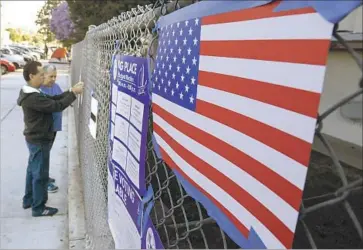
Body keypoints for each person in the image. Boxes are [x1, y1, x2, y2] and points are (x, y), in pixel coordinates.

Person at [17, 61, 84, 217]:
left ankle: (29, 200)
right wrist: (73, 94)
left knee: (32, 171)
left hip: (34, 138)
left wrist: (70, 90)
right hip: (39, 139)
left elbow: (53, 99)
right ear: (31, 76)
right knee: (40, 174)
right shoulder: (32, 97)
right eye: (41, 75)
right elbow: (56, 106)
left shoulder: (33, 92)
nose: (43, 78)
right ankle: (39, 208)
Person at [40, 65, 62, 193]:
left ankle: (45, 177)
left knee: (46, 154)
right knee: (43, 156)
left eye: (55, 76)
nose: (53, 79)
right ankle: (44, 183)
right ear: (43, 75)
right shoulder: (39, 89)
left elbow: (63, 98)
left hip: (54, 127)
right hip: (44, 128)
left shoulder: (55, 86)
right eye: (51, 76)